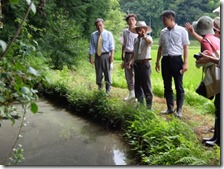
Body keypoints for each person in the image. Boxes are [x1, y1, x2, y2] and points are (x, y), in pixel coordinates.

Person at [191, 16, 220, 146]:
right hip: (220, 76)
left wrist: (199, 62)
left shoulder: (205, 41)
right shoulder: (216, 39)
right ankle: (216, 137)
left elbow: (207, 60)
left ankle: (217, 139)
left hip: (218, 78)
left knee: (219, 109)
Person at [155, 10, 190, 118]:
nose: (163, 22)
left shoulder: (182, 31)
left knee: (179, 86)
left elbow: (185, 47)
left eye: (165, 20)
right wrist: (157, 62)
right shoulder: (163, 32)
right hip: (165, 60)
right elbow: (160, 48)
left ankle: (179, 110)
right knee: (167, 85)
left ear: (171, 19)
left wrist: (185, 63)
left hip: (177, 60)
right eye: (163, 20)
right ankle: (170, 107)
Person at [130, 21, 153, 110]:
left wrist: (144, 36)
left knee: (146, 85)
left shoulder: (148, 38)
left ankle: (149, 107)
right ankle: (140, 105)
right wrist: (131, 60)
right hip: (137, 64)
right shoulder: (135, 39)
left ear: (145, 30)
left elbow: (149, 42)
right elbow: (134, 52)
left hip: (145, 64)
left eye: (142, 29)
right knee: (137, 85)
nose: (140, 31)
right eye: (138, 29)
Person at [89, 18, 115, 95]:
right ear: (96, 27)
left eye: (100, 25)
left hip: (106, 55)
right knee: (99, 73)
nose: (99, 27)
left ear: (103, 25)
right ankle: (100, 89)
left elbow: (112, 46)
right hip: (97, 56)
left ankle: (107, 90)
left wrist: (112, 56)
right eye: (97, 26)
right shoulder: (93, 35)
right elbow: (92, 47)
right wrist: (91, 57)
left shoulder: (108, 34)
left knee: (107, 72)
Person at [121, 13, 138, 101]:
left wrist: (133, 58)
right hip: (127, 54)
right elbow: (124, 44)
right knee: (128, 74)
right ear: (127, 22)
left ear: (135, 21)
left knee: (136, 74)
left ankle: (137, 94)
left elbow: (138, 46)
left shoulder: (138, 31)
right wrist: (122, 54)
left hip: (136, 54)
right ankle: (131, 93)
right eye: (129, 20)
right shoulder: (125, 32)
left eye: (133, 19)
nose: (131, 21)